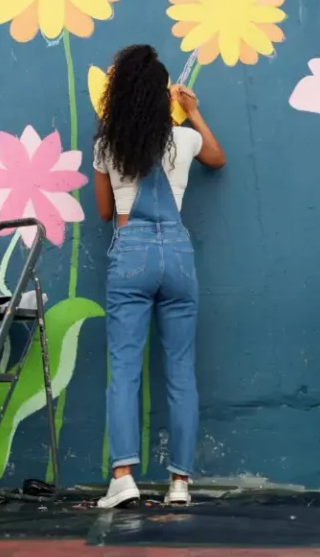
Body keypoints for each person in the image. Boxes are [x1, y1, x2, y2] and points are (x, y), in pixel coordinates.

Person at [93, 45, 226, 508]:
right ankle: (180, 485)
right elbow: (216, 157)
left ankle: (124, 477)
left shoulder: (108, 145)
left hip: (131, 255)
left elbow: (106, 211)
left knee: (125, 370)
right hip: (178, 254)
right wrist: (192, 112)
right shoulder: (183, 140)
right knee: (181, 372)